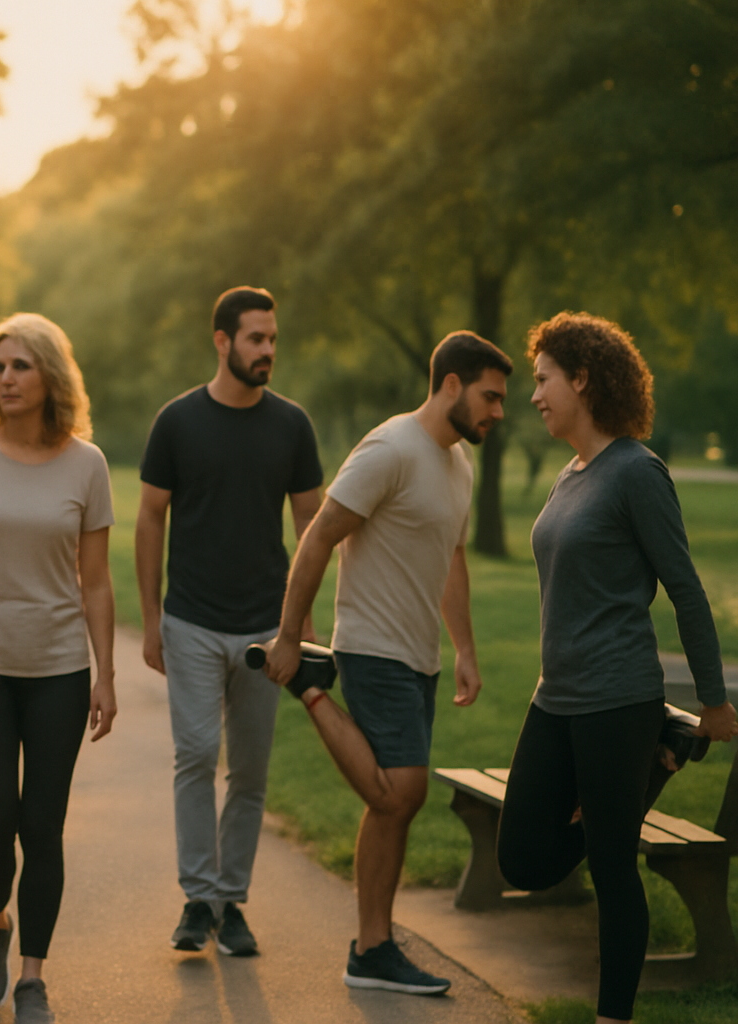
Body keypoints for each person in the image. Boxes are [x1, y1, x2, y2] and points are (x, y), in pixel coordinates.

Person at [495, 312, 737, 1024]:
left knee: (611, 867)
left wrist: (714, 702)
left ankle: (613, 1018)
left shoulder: (636, 471)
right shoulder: (570, 476)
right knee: (523, 859)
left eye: (543, 379)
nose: (534, 395)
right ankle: (659, 761)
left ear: (582, 379)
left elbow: (685, 589)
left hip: (618, 697)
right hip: (557, 697)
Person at [264, 330, 512, 996]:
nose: (498, 411)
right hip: (372, 646)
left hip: (419, 655)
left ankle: (372, 949)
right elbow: (319, 536)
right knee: (403, 792)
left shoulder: (459, 463)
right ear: (452, 384)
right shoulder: (390, 449)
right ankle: (313, 689)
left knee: (392, 809)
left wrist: (463, 649)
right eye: (490, 397)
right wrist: (290, 636)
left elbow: (452, 559)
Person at [0, 312, 117, 1024]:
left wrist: (105, 674)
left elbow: (96, 580)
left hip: (58, 669)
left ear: (50, 376)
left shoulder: (87, 465)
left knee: (42, 826)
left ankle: (32, 977)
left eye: (20, 366)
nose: (5, 378)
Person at [136, 285, 323, 955]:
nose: (267, 350)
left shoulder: (291, 425)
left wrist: (297, 628)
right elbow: (150, 516)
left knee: (249, 771)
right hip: (189, 619)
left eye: (272, 339)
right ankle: (197, 899)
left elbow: (312, 526)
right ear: (222, 342)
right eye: (255, 339)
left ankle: (230, 902)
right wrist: (151, 618)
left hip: (264, 628)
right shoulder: (178, 422)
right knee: (195, 755)